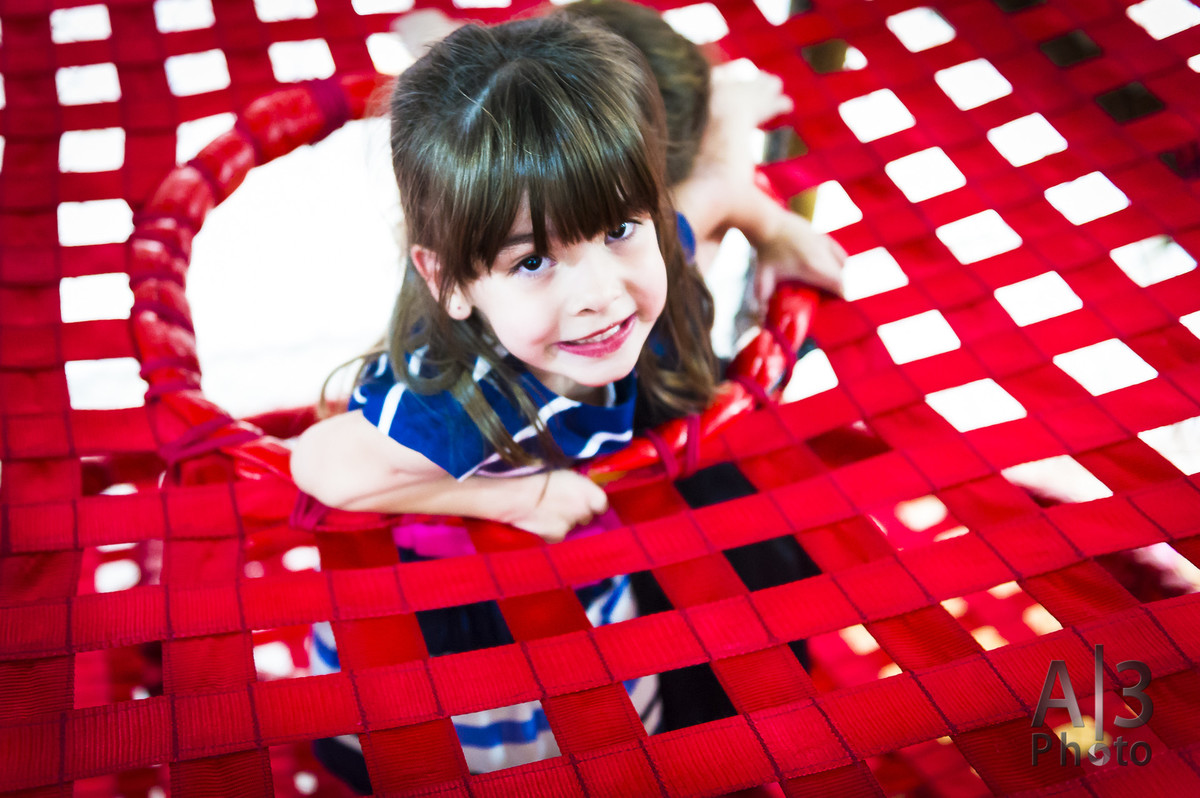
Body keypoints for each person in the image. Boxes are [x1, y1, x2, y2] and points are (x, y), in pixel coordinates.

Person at [290, 14, 718, 786]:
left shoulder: (653, 250)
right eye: (533, 262)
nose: (600, 295)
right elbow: (319, 466)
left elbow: (705, 208)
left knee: (614, 750)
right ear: (448, 281)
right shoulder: (462, 405)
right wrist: (508, 501)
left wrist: (777, 229)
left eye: (620, 226)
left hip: (579, 572)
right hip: (457, 619)